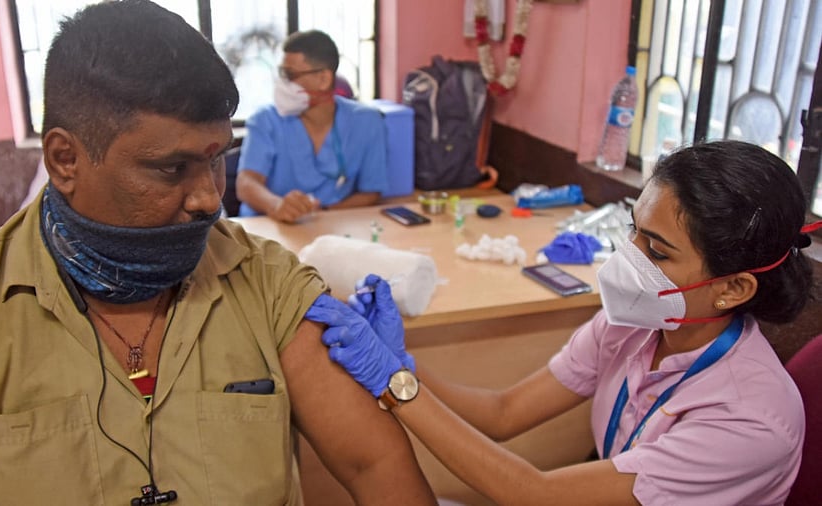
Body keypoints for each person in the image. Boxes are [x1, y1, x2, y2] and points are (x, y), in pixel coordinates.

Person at [0, 2, 436, 505]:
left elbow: (373, 464)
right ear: (65, 159)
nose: (210, 200)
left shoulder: (267, 282)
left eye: (217, 161)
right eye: (172, 169)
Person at [307, 140, 821, 505]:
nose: (629, 259)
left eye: (657, 252)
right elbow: (503, 413)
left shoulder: (750, 420)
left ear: (733, 288)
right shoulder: (635, 326)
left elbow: (533, 493)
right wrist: (403, 364)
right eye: (634, 232)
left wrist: (395, 385)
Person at [235, 30, 388, 222]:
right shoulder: (265, 120)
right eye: (281, 73)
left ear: (324, 79)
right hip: (267, 226)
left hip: (331, 227)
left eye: (290, 74)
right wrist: (276, 205)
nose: (282, 83)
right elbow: (246, 183)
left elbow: (371, 192)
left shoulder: (366, 121)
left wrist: (322, 215)